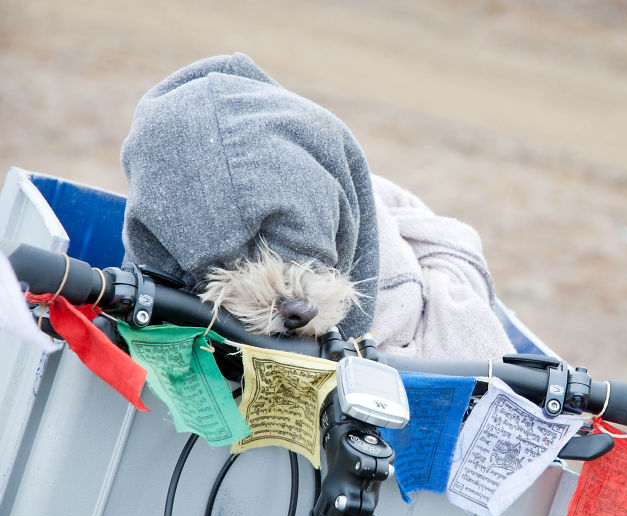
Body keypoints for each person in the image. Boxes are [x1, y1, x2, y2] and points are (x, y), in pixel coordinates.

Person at [122, 52, 513, 360]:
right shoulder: (155, 254)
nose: (297, 304)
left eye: (309, 258)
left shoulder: (369, 256)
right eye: (239, 264)